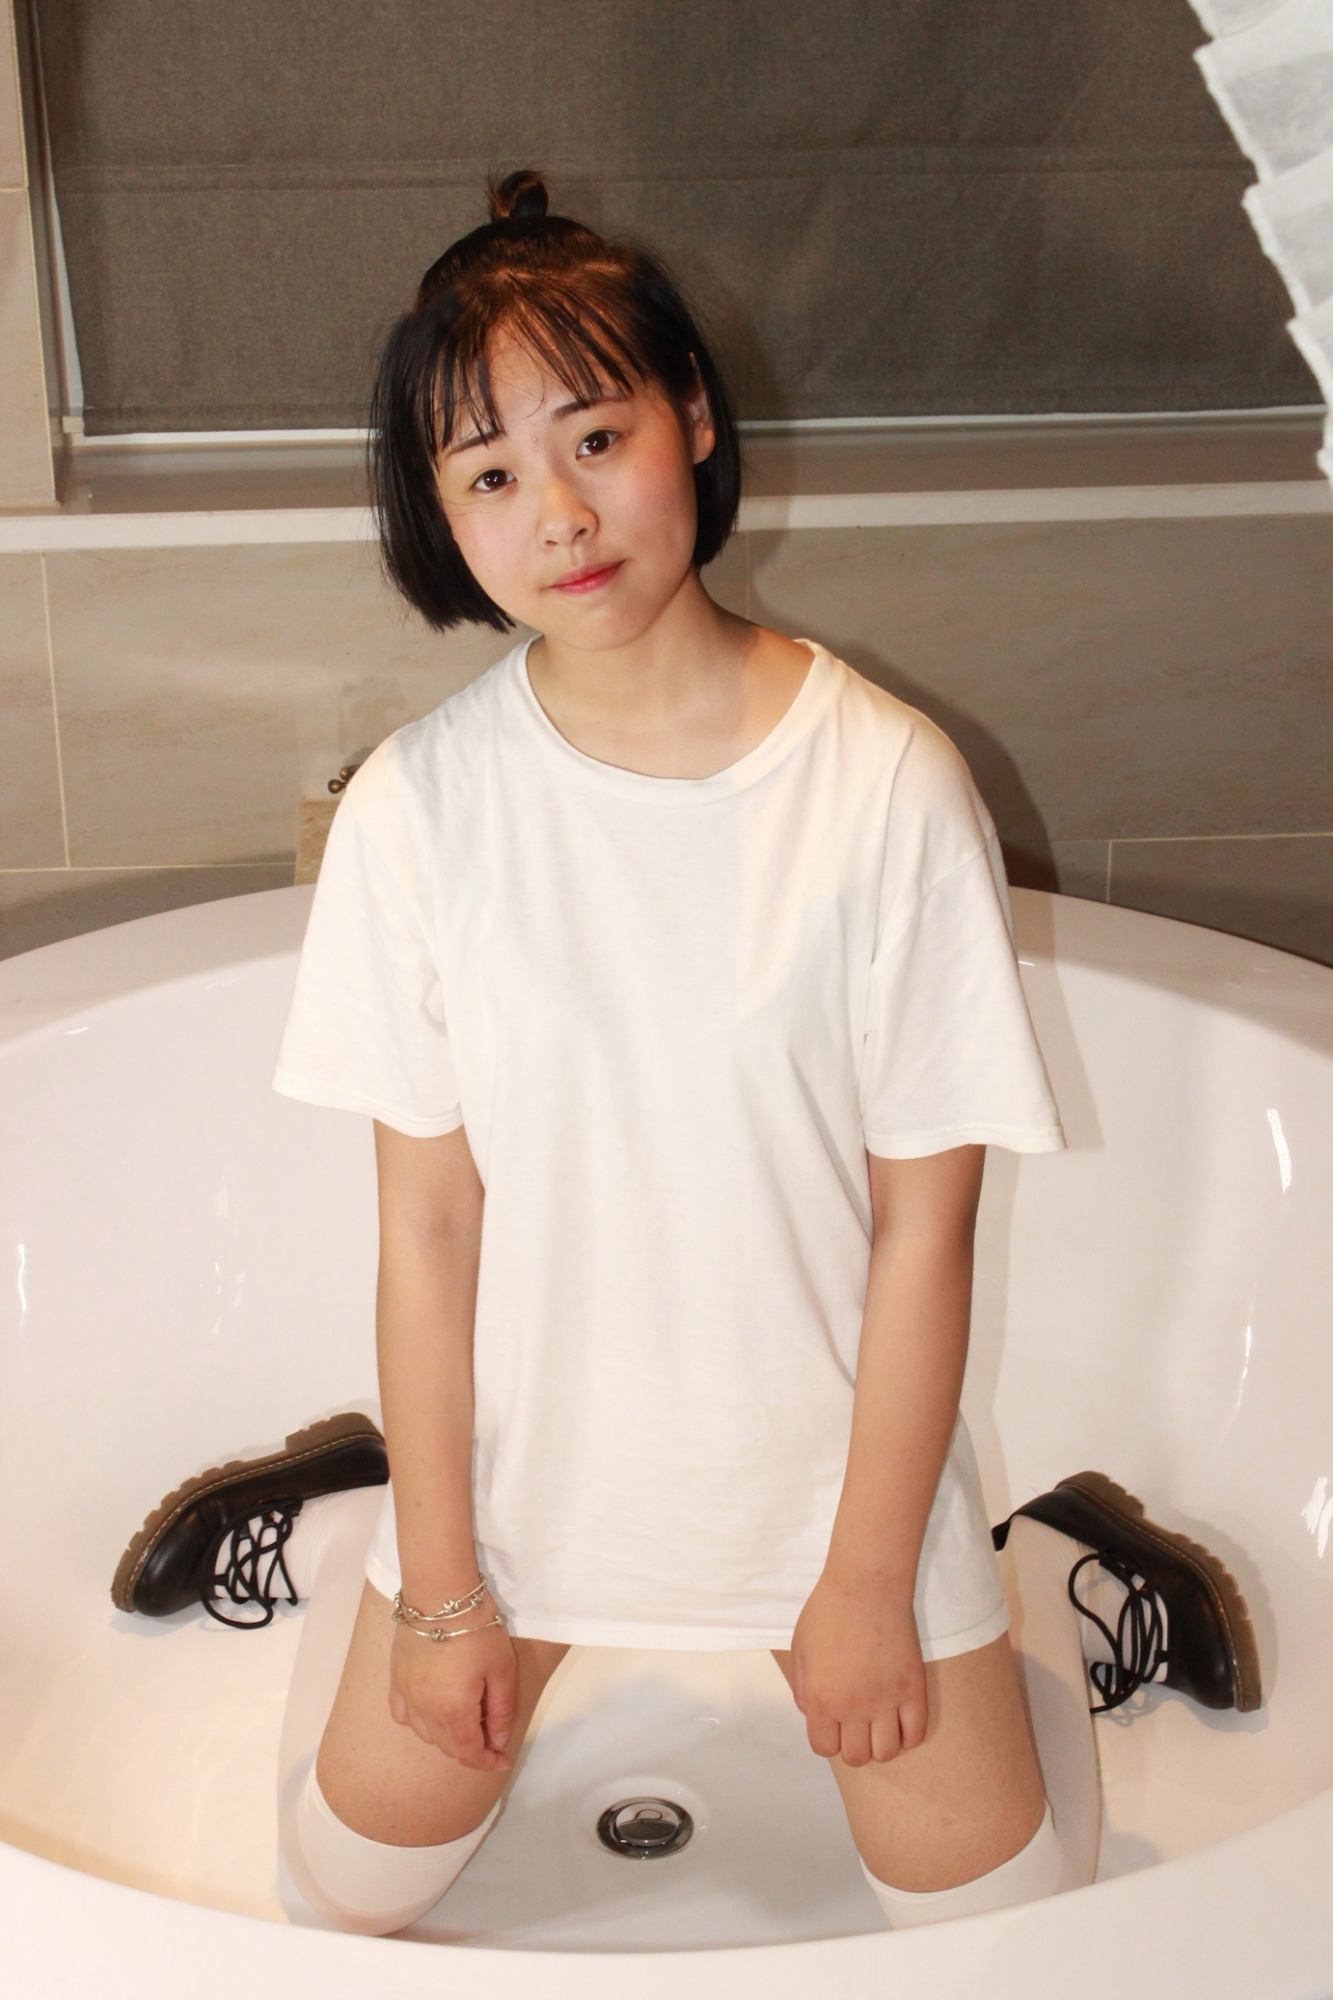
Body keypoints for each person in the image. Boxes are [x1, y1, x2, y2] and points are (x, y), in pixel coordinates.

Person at [111, 171, 1261, 1937]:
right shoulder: (420, 808)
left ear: (694, 420)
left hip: (829, 1483)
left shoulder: (885, 784)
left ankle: (1048, 1559)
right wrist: (442, 1588)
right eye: (490, 475)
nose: (560, 515)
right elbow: (428, 1226)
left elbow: (923, 1230)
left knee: (1001, 1930)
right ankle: (355, 1522)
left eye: (595, 438)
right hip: (520, 1487)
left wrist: (867, 1583)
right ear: (439, 513)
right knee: (335, 1898)